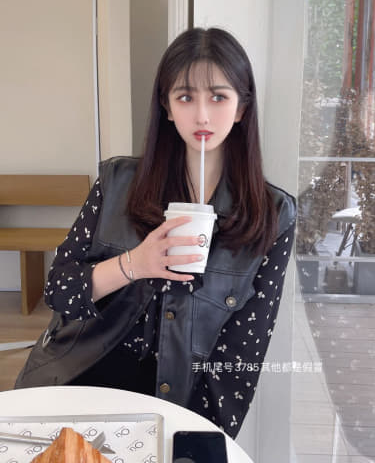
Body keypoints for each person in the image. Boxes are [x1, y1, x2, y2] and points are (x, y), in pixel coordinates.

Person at [15, 27, 296, 439]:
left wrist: (196, 437)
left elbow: (240, 357)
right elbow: (59, 290)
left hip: (173, 404)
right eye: (186, 97)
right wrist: (134, 264)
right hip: (77, 381)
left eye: (218, 97)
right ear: (166, 106)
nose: (202, 115)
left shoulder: (272, 215)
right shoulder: (117, 182)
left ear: (241, 108)